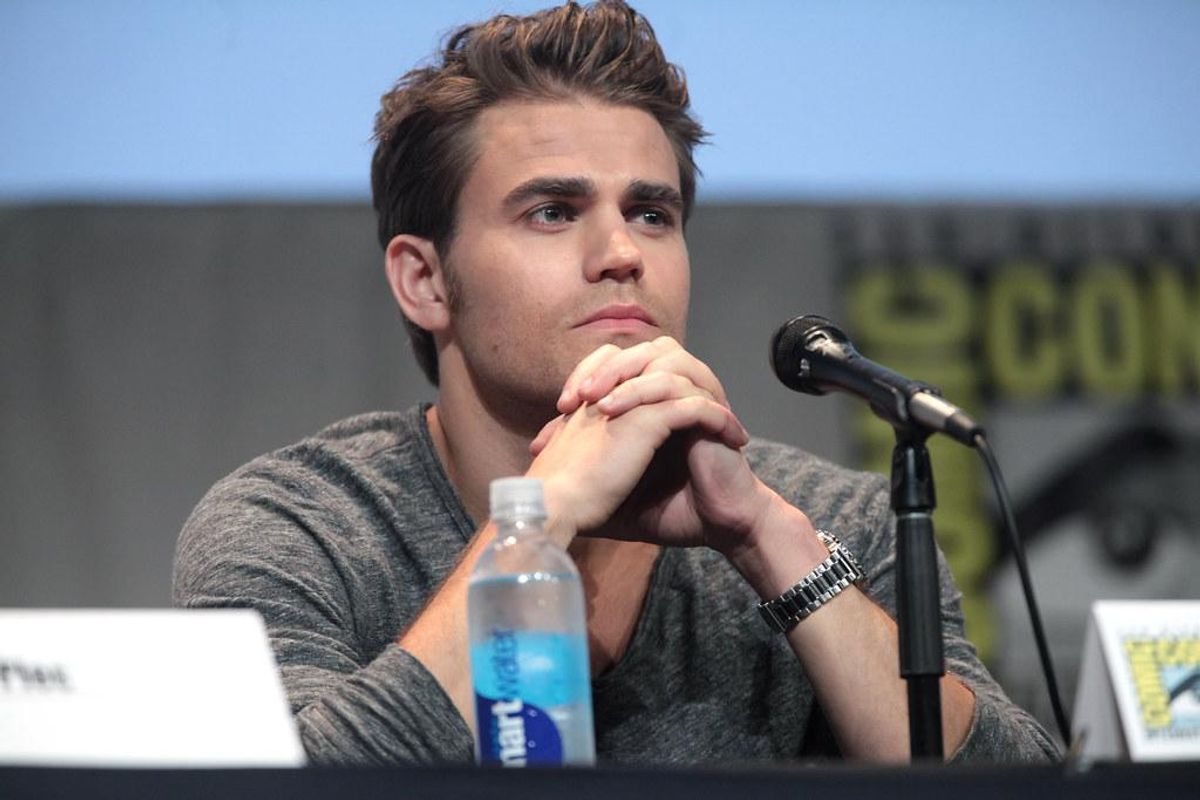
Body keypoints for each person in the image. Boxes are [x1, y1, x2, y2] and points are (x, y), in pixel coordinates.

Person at [174, 0, 1059, 765]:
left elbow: (1016, 782)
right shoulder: (302, 526)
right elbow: (292, 780)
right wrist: (539, 522)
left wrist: (768, 542)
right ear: (425, 281)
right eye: (552, 212)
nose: (623, 253)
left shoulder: (831, 522)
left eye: (651, 213)